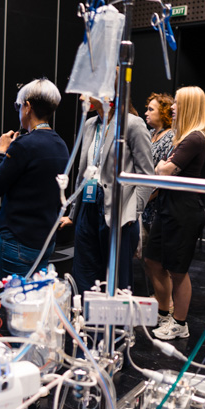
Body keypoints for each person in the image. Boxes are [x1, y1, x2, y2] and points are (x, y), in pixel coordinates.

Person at [63, 95, 154, 295]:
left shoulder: (132, 124)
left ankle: (114, 318)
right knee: (84, 275)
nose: (81, 97)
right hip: (87, 206)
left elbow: (147, 176)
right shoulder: (90, 124)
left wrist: (132, 213)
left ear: (106, 93)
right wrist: (74, 213)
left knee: (116, 282)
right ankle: (84, 315)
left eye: (87, 91)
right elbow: (84, 171)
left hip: (118, 211)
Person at [0, 78, 68, 279]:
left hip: (18, 240)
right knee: (36, 296)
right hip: (45, 240)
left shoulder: (23, 145)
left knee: (15, 297)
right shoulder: (61, 145)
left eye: (19, 106)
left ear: (28, 107)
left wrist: (1, 152)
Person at [144, 85, 205, 340]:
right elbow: (161, 169)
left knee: (178, 270)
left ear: (189, 106)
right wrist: (162, 166)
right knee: (153, 260)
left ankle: (180, 324)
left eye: (177, 103)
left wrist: (162, 166)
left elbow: (163, 171)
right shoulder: (181, 138)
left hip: (183, 211)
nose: (172, 107)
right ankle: (163, 314)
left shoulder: (195, 138)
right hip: (167, 208)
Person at [141, 92, 175, 237]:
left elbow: (163, 175)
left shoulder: (171, 136)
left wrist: (143, 199)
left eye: (151, 109)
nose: (146, 113)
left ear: (163, 113)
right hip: (141, 199)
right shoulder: (148, 133)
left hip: (155, 204)